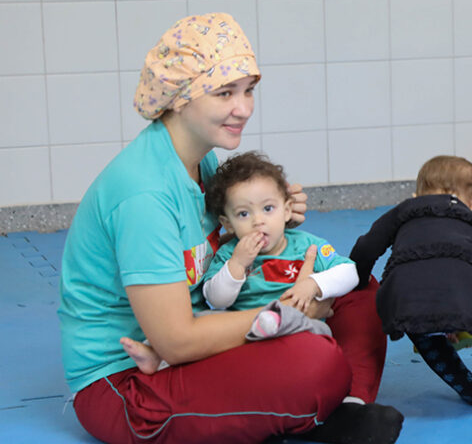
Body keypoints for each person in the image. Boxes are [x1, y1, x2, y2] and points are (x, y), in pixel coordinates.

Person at [58, 13, 401, 444]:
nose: (243, 108)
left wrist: (274, 231)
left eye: (248, 90)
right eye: (224, 93)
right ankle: (313, 405)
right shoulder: (144, 195)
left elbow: (209, 253)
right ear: (180, 97)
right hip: (130, 387)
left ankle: (341, 407)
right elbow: (175, 341)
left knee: (357, 287)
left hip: (203, 329)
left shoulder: (200, 160)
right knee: (315, 362)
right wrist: (289, 314)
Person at [120, 151, 355, 375]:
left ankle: (276, 322)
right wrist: (237, 265)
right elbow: (216, 299)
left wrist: (313, 285)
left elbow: (349, 271)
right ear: (228, 224)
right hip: (241, 332)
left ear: (286, 211)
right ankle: (158, 353)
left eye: (268, 209)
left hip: (298, 331)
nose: (258, 221)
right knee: (202, 321)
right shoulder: (229, 254)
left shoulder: (306, 245)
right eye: (244, 214)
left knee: (319, 331)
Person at [349, 156, 472, 414]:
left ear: (416, 196)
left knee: (418, 325)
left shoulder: (404, 211)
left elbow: (366, 247)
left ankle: (466, 387)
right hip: (468, 290)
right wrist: (469, 314)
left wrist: (359, 281)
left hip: (408, 295)